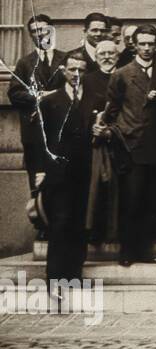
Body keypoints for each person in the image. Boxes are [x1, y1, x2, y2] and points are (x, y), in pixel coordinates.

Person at [102, 23, 156, 266]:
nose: (147, 48)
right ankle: (127, 251)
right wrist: (123, 133)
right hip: (132, 146)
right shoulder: (122, 74)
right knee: (131, 200)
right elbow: (112, 110)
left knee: (152, 201)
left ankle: (144, 249)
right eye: (143, 44)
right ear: (135, 46)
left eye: (151, 44)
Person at [35, 50, 97, 285]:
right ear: (63, 71)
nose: (77, 74)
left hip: (86, 171)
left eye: (82, 70)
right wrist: (40, 171)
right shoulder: (50, 101)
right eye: (72, 70)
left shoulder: (96, 99)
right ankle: (55, 276)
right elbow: (39, 141)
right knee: (60, 222)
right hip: (58, 173)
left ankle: (74, 274)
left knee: (80, 223)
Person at [8, 14, 68, 214]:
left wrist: (55, 95)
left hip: (61, 132)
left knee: (62, 179)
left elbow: (76, 88)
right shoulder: (25, 63)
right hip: (35, 133)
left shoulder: (66, 59)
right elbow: (14, 93)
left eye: (43, 29)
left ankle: (60, 223)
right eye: (34, 31)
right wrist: (39, 96)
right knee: (36, 177)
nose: (39, 34)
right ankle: (41, 223)